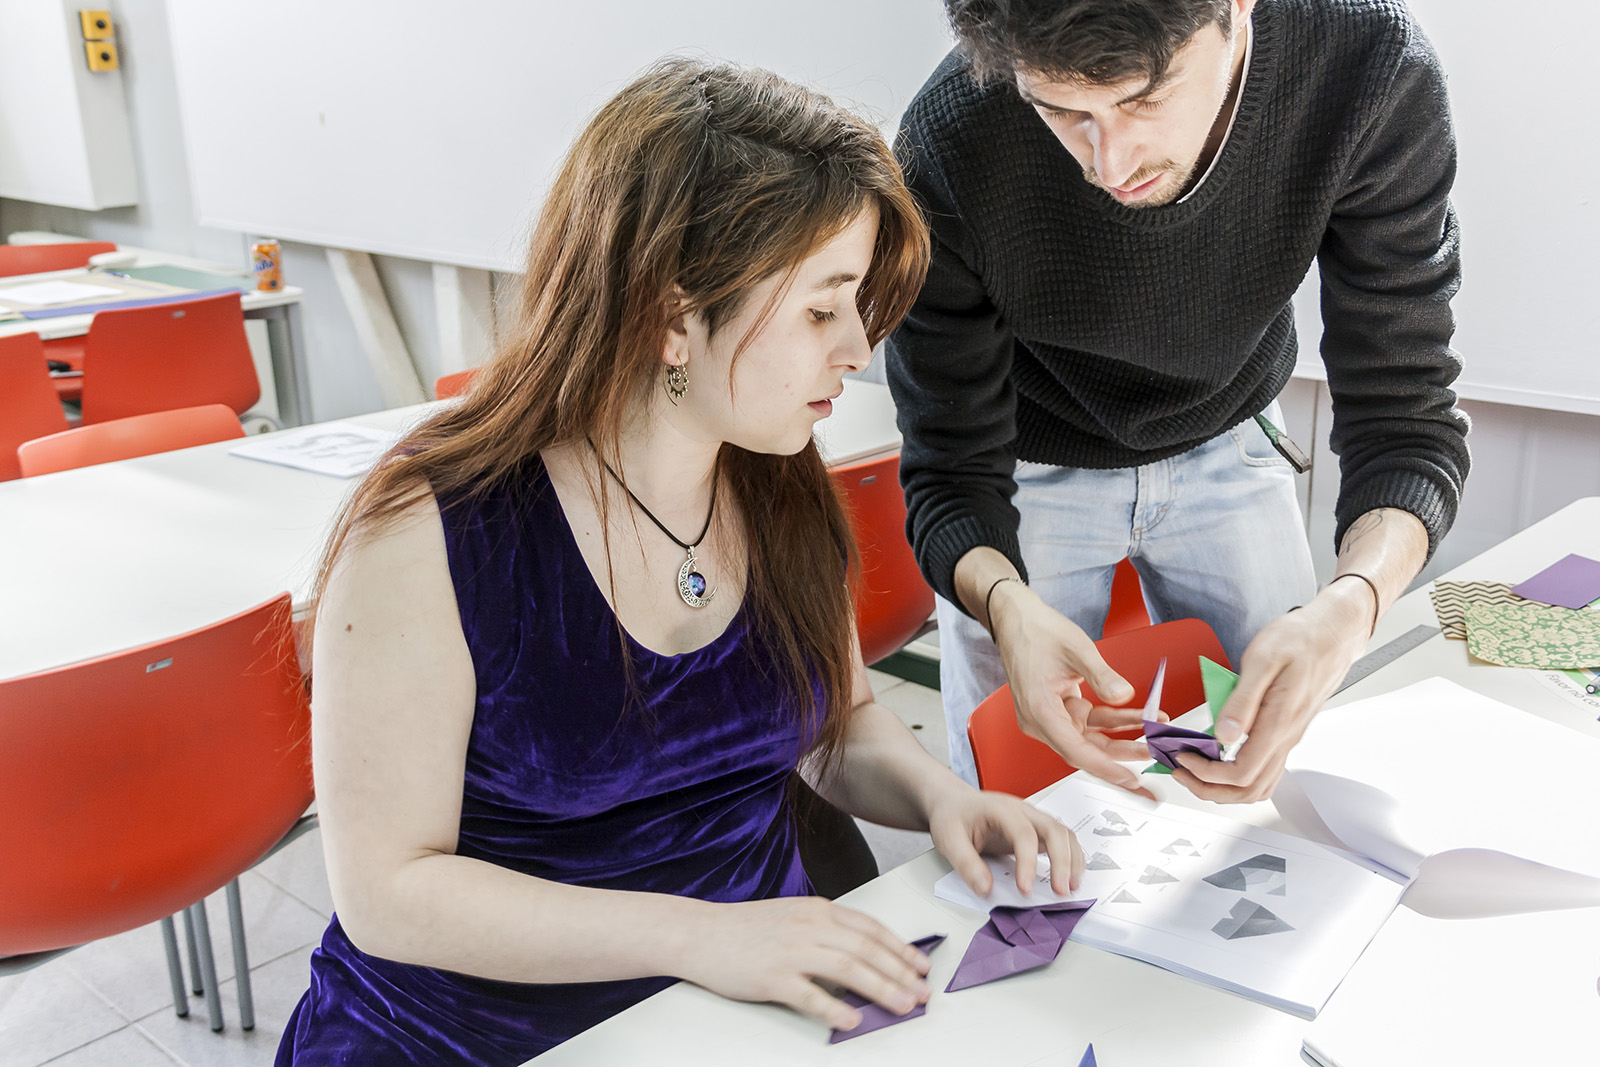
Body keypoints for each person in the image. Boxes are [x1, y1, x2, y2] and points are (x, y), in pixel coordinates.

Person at [276, 58, 1099, 1066]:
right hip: (479, 1038)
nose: (857, 349)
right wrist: (702, 936)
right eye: (821, 310)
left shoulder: (777, 476)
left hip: (737, 1013)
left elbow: (840, 723)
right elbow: (387, 892)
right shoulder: (428, 529)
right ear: (672, 315)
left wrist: (943, 799)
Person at [887, 0, 1470, 801]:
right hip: (1026, 461)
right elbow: (948, 471)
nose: (1109, 163)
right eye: (1059, 111)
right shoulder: (947, 141)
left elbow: (1406, 420)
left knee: (1285, 763)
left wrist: (1353, 605)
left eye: (1144, 98)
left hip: (1233, 428)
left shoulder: (1370, 66)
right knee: (1015, 801)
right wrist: (1004, 602)